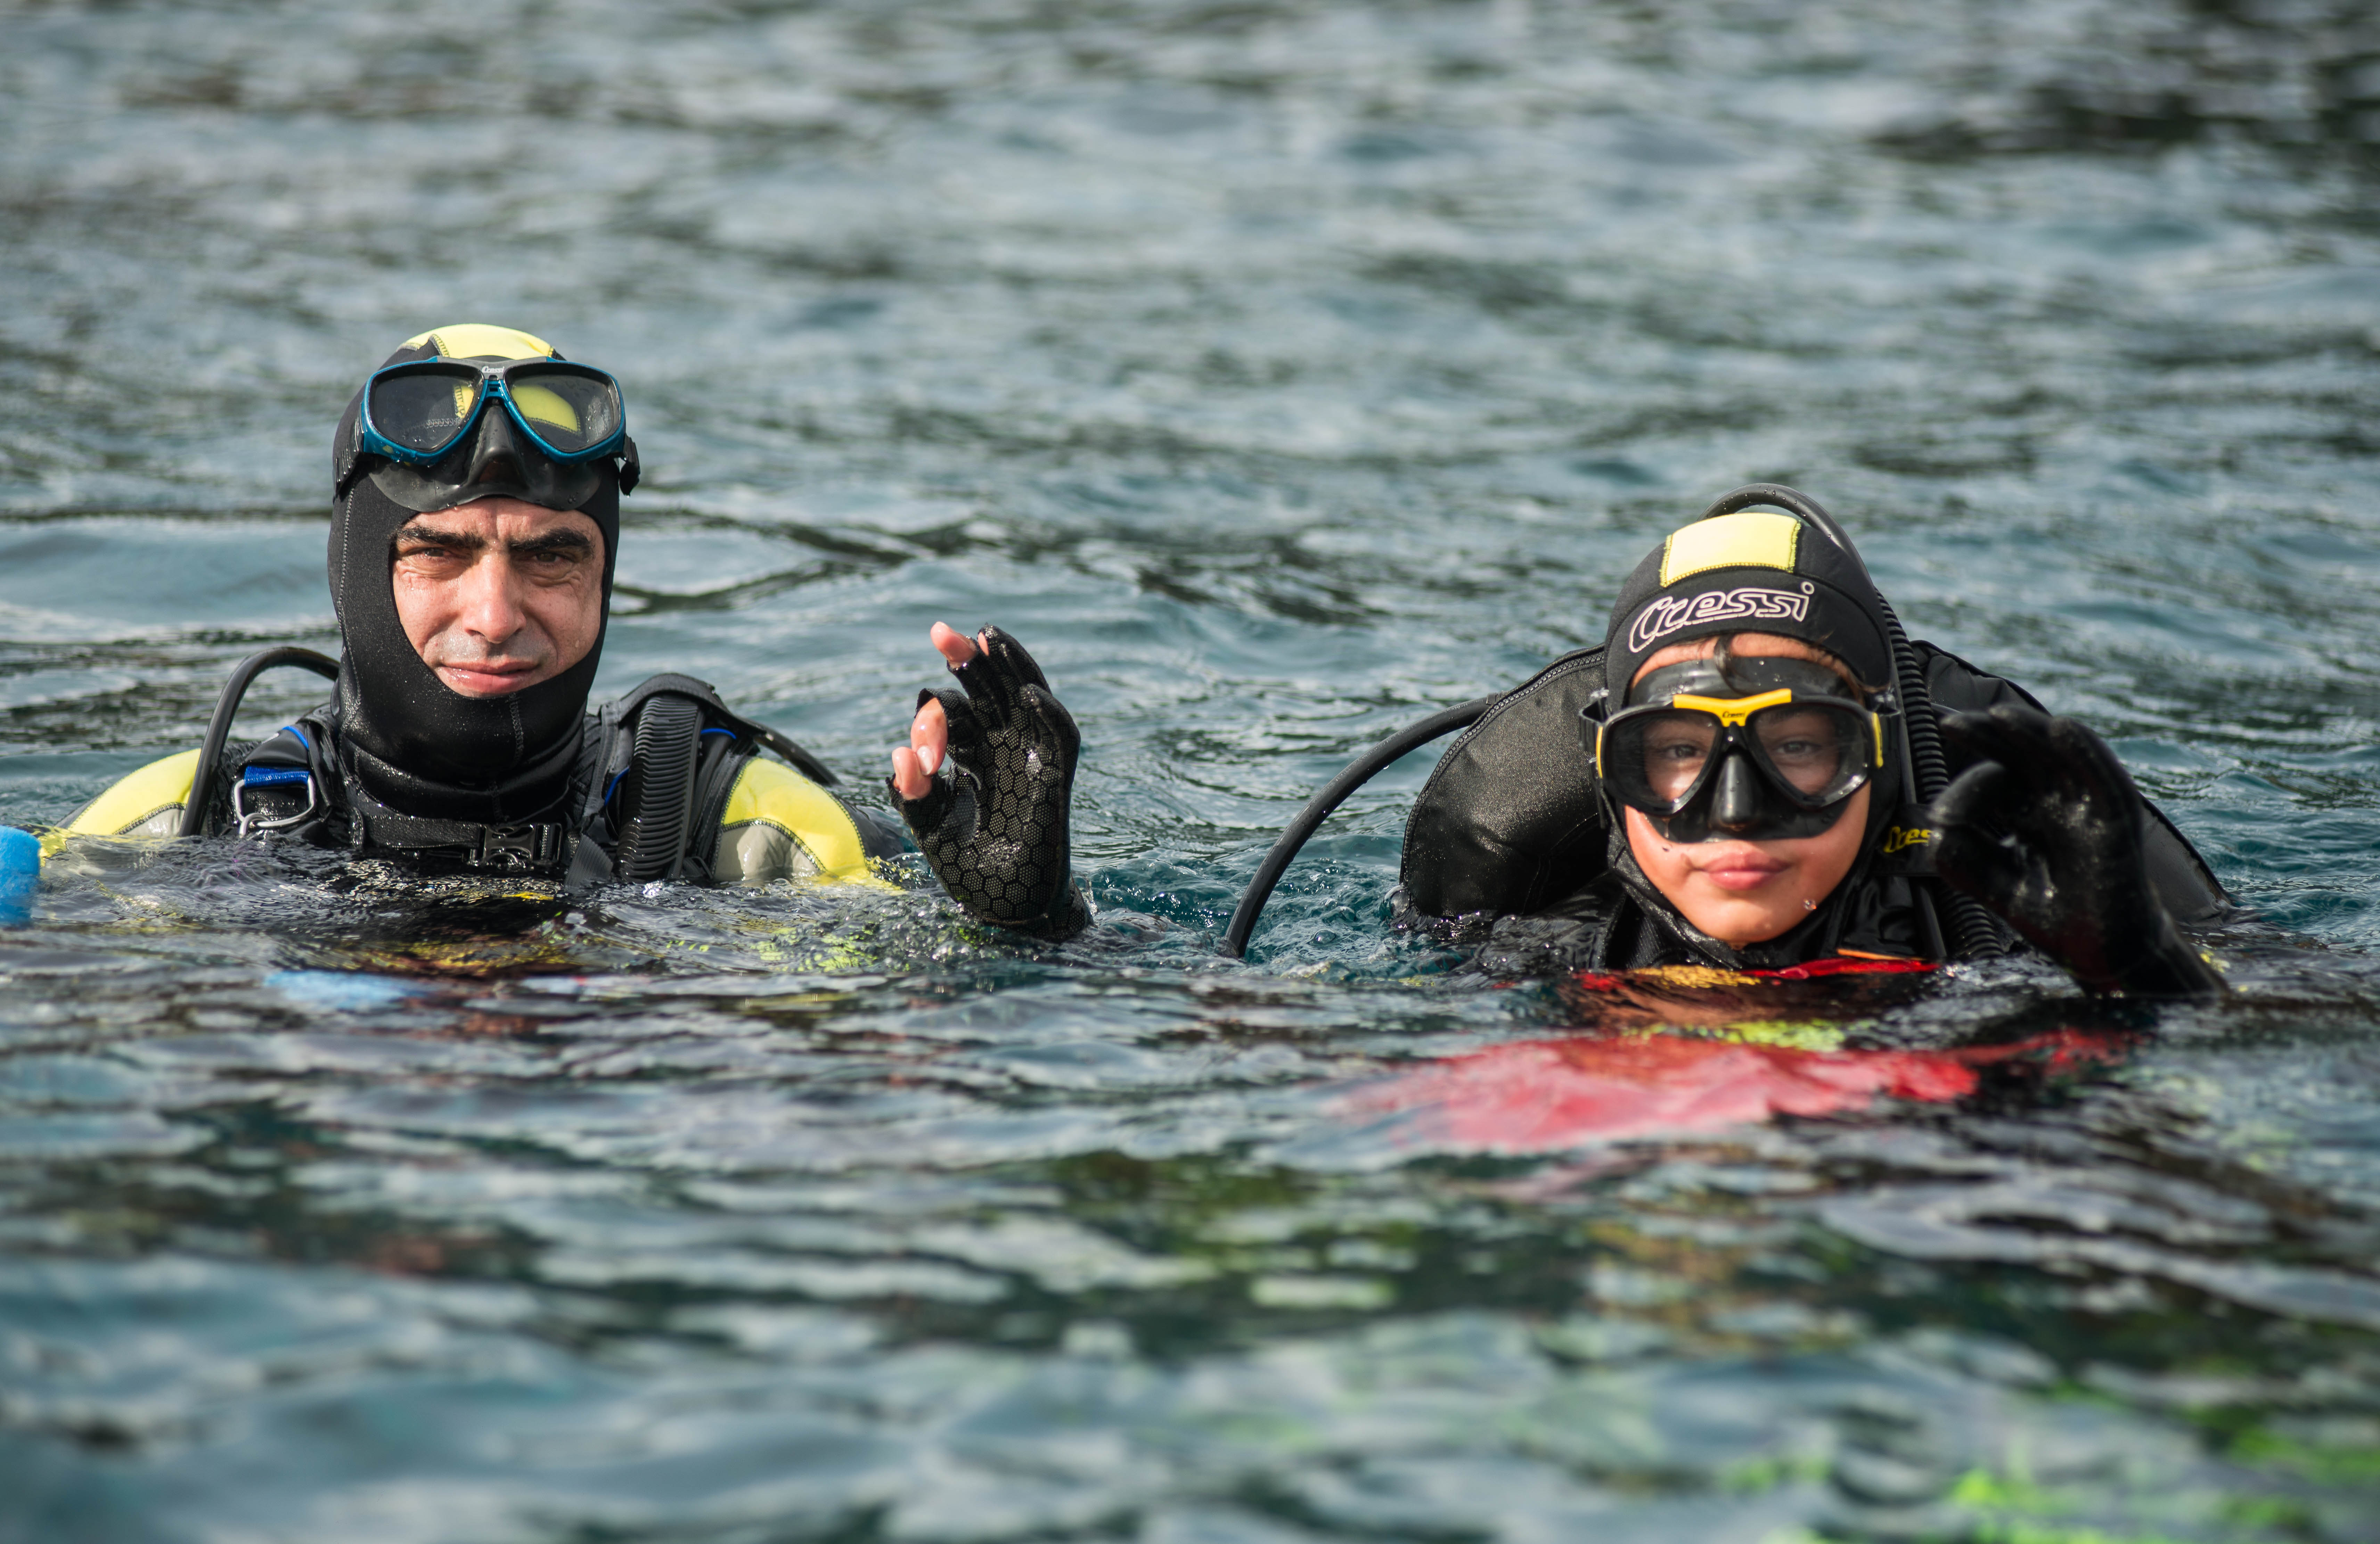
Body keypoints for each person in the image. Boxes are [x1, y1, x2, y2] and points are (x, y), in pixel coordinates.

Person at [51, 323, 1072, 926]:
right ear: (356, 569)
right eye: (440, 553)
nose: (496, 616)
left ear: (607, 573)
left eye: (552, 556)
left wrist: (1026, 921)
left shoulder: (736, 830)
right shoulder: (180, 826)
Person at [1398, 487, 2230, 997]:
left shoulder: (2014, 939)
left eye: (1797, 747)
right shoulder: (1526, 967)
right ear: (1611, 776)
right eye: (1677, 752)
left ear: (1879, 755)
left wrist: (2140, 964)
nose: (1735, 815)